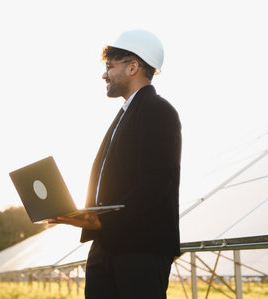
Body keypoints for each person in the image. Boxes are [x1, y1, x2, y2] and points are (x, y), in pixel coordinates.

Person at [49, 30, 182, 298]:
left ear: (133, 67)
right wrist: (86, 217)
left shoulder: (158, 111)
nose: (104, 74)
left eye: (110, 66)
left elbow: (155, 184)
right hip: (106, 247)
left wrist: (102, 222)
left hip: (140, 251)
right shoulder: (126, 114)